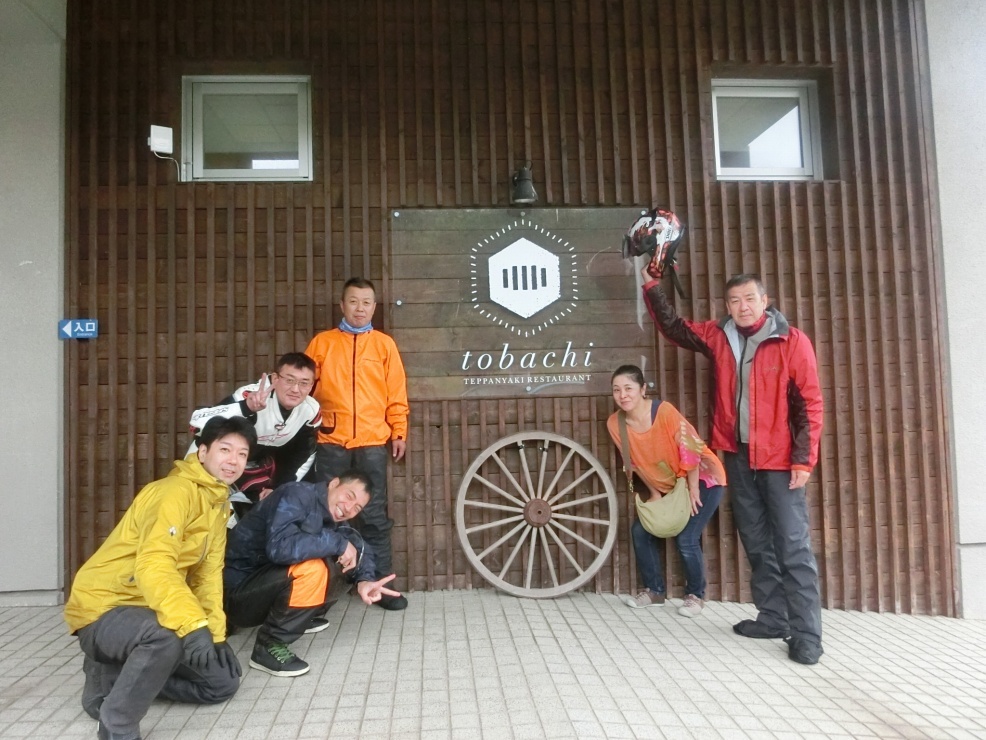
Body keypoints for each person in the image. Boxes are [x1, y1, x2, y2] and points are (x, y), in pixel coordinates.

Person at [641, 258, 824, 665]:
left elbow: (810, 405)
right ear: (727, 306)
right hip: (739, 458)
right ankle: (773, 618)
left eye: (750, 298)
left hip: (780, 461)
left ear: (765, 300)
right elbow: (675, 328)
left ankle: (807, 634)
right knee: (756, 542)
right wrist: (651, 285)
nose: (743, 306)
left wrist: (803, 460)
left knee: (793, 546)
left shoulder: (792, 341)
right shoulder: (719, 336)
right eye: (735, 301)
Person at [64, 416, 258, 740]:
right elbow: (155, 565)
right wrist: (192, 625)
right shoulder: (173, 493)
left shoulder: (218, 504)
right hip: (104, 607)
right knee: (166, 635)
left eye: (242, 454)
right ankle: (116, 723)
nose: (234, 460)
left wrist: (215, 634)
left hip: (153, 608)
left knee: (221, 683)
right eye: (225, 450)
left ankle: (117, 679)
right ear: (202, 452)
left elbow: (208, 576)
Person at [223, 471, 402, 677]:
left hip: (263, 587)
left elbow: (356, 544)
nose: (348, 509)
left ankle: (299, 618)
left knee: (345, 558)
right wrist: (338, 543)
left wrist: (365, 580)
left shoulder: (330, 513)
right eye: (349, 496)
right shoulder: (296, 494)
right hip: (237, 596)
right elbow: (280, 548)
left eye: (357, 508)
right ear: (334, 483)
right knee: (315, 567)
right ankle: (268, 647)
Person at [304, 276, 410, 611]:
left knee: (374, 514)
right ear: (342, 305)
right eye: (353, 301)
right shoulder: (322, 343)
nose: (359, 308)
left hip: (372, 442)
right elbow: (305, 390)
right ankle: (320, 593)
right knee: (327, 514)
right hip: (330, 441)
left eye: (366, 303)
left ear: (374, 307)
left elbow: (396, 392)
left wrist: (399, 430)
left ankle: (381, 586)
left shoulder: (384, 345)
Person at [607, 365, 726, 617]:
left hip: (703, 478)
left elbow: (690, 447)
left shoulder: (664, 412)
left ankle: (695, 596)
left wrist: (693, 488)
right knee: (640, 531)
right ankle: (655, 591)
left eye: (628, 388)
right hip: (670, 486)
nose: (622, 395)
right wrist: (654, 493)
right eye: (617, 390)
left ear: (643, 389)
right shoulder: (615, 423)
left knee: (687, 537)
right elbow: (633, 463)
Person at [187, 352, 321, 521]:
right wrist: (246, 407)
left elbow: (303, 454)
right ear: (275, 378)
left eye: (304, 383)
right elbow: (197, 423)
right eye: (289, 380)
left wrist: (279, 487)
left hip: (258, 471)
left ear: (311, 386)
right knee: (195, 511)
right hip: (213, 464)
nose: (296, 389)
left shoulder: (310, 410)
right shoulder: (251, 395)